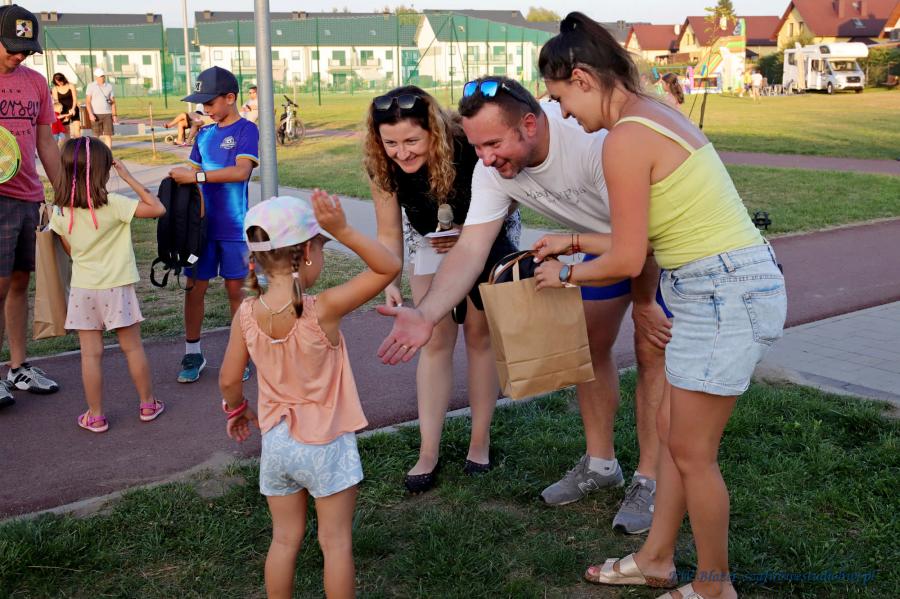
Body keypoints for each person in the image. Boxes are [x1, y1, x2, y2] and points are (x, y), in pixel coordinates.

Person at [536, 13, 786, 599]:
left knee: (694, 455)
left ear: (582, 78)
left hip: (723, 293)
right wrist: (572, 239)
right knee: (676, 436)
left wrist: (566, 273)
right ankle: (656, 559)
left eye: (561, 98)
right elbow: (650, 238)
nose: (564, 114)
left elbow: (628, 259)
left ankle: (714, 587)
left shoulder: (624, 139)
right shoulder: (656, 113)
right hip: (724, 285)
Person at [375, 75, 672, 534]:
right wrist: (426, 314)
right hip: (603, 241)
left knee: (652, 352)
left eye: (493, 144)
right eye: (477, 146)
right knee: (589, 346)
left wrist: (645, 300)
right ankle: (601, 464)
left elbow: (644, 240)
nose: (485, 158)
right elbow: (470, 250)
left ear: (529, 125)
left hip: (666, 242)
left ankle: (650, 479)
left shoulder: (593, 144)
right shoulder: (490, 168)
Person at [220, 192, 400, 599]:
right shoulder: (324, 309)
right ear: (305, 253)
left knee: (284, 540)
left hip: (277, 444)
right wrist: (344, 230)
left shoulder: (245, 314)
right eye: (321, 246)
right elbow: (388, 267)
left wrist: (238, 409)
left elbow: (229, 381)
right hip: (326, 445)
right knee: (335, 544)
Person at [364, 86, 519, 492]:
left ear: (432, 132)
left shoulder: (466, 146)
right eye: (391, 143)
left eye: (412, 141)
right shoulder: (382, 164)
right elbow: (388, 232)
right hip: (430, 240)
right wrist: (389, 280)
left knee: (479, 336)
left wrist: (468, 232)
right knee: (432, 338)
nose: (401, 153)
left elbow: (510, 198)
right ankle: (428, 451)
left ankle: (479, 441)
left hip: (486, 234)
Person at [49, 138, 166, 432]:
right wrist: (128, 177)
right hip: (117, 288)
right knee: (132, 348)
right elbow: (157, 208)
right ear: (103, 170)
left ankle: (96, 415)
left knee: (90, 355)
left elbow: (70, 250)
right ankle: (148, 404)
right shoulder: (114, 204)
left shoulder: (60, 211)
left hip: (83, 290)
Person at [168, 66, 259, 384]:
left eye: (210, 102)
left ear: (230, 98)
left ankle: (241, 353)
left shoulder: (247, 130)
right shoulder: (204, 135)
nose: (205, 109)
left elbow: (241, 172)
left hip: (234, 227)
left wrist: (197, 176)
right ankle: (193, 352)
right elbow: (190, 178)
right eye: (202, 103)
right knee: (194, 288)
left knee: (236, 291)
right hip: (201, 230)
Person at [0, 4, 62, 410]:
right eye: (12, 48)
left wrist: (66, 193)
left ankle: (18, 367)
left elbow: (45, 142)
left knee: (21, 282)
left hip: (28, 196)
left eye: (25, 49)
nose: (19, 56)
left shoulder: (36, 83)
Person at [85, 67, 117, 148]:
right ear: (96, 77)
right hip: (95, 114)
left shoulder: (109, 86)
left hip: (107, 114)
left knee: (108, 135)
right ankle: (97, 152)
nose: (101, 78)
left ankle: (108, 152)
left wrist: (114, 115)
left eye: (102, 76)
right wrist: (90, 114)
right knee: (96, 136)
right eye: (99, 76)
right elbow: (88, 101)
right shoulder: (91, 86)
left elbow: (113, 102)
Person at [50, 72, 80, 142]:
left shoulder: (71, 85)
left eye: (60, 81)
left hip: (73, 109)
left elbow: (75, 99)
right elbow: (57, 103)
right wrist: (64, 115)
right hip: (63, 111)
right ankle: (68, 146)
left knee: (77, 129)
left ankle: (78, 145)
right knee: (66, 130)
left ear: (63, 79)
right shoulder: (55, 89)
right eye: (57, 82)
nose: (59, 83)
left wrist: (73, 109)